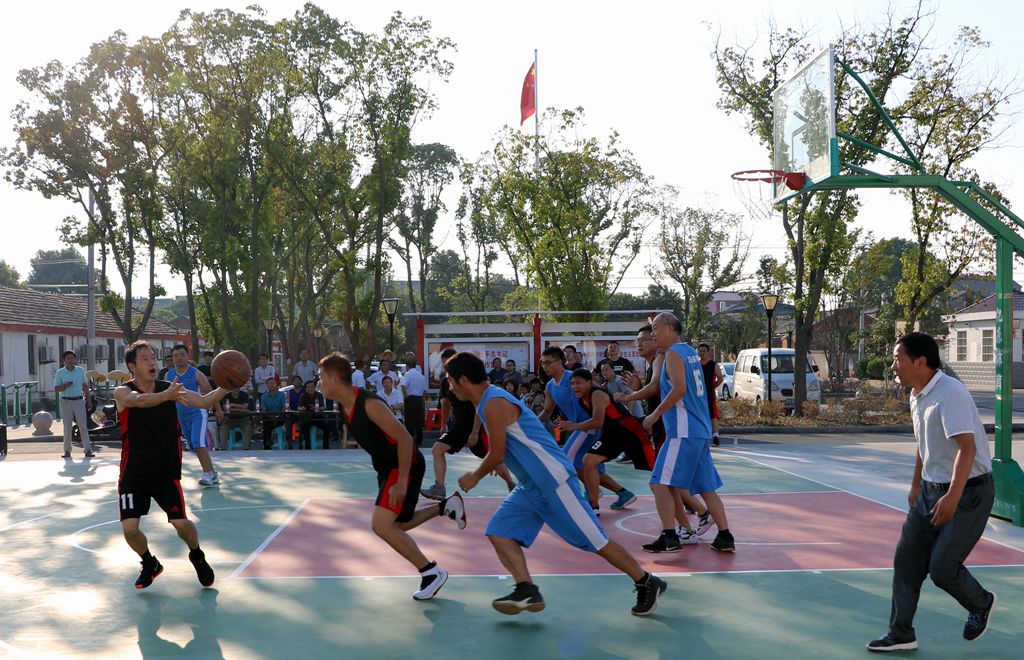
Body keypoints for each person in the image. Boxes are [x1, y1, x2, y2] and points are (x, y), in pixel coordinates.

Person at [448, 351, 667, 616]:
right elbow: (505, 447)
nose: (449, 386)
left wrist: (475, 475)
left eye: (450, 380)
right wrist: (501, 463)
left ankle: (646, 581)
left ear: (462, 380)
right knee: (500, 532)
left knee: (596, 541)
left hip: (553, 481)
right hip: (531, 485)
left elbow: (496, 452)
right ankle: (526, 588)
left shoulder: (493, 402)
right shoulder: (487, 401)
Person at [867, 332, 996, 652]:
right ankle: (901, 634)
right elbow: (924, 443)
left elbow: (967, 449)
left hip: (968, 493)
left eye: (898, 359)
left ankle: (980, 602)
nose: (893, 366)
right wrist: (916, 485)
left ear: (920, 362)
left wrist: (952, 496)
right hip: (929, 491)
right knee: (907, 560)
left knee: (942, 569)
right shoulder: (917, 394)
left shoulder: (951, 393)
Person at [318, 353, 466, 601]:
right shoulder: (344, 406)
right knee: (398, 526)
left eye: (321, 377)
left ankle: (431, 573)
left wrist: (400, 481)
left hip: (403, 464)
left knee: (381, 525)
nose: (319, 382)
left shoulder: (369, 404)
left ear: (334, 378)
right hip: (387, 467)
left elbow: (405, 439)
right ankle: (446, 507)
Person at [114, 340, 229, 590]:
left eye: (153, 357)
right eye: (145, 358)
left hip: (165, 470)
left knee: (181, 524)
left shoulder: (170, 389)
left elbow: (204, 401)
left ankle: (197, 555)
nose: (152, 362)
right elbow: (139, 401)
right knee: (130, 529)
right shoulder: (122, 392)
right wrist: (167, 396)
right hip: (134, 472)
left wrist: (227, 386)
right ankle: (150, 563)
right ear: (132, 366)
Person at [643, 313, 733, 554]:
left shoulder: (673, 354)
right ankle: (725, 536)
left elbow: (679, 389)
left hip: (683, 432)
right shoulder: (690, 352)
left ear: (670, 328)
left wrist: (655, 414)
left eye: (656, 328)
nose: (653, 334)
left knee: (659, 483)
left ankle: (669, 536)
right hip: (700, 430)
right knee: (706, 488)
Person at [619, 325, 712, 539]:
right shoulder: (662, 359)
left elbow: (660, 389)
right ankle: (689, 527)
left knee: (663, 482)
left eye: (645, 338)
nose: (640, 343)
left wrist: (630, 397)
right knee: (667, 482)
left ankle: (696, 518)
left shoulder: (664, 357)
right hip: (673, 426)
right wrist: (638, 388)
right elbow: (657, 389)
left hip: (673, 427)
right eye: (638, 340)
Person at [538, 346, 636, 512]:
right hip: (582, 428)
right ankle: (623, 493)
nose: (545, 366)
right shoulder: (550, 386)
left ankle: (590, 496)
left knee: (567, 460)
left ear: (560, 362)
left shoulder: (575, 378)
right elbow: (547, 411)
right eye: (543, 363)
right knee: (590, 468)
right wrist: (530, 423)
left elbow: (598, 392)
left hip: (591, 426)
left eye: (548, 362)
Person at [423, 349, 516, 501]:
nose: (447, 366)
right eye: (444, 363)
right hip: (459, 427)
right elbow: (445, 404)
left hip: (477, 425)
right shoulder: (446, 382)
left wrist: (475, 432)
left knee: (493, 459)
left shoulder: (468, 382)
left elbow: (479, 406)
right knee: (437, 449)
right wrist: (443, 425)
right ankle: (439, 487)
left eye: (449, 362)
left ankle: (511, 484)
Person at [563, 369, 657, 512]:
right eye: (572, 384)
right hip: (612, 436)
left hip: (630, 433)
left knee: (658, 470)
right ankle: (594, 505)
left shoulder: (597, 394)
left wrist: (574, 426)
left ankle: (686, 500)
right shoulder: (582, 399)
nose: (574, 386)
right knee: (588, 461)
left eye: (578, 383)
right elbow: (602, 424)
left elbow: (597, 421)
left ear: (589, 383)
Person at [170, 345, 221, 487]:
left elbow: (210, 392)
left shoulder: (196, 373)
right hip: (182, 416)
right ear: (172, 358)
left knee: (198, 442)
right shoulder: (169, 376)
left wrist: (218, 410)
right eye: (176, 355)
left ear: (187, 356)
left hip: (198, 413)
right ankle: (213, 473)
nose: (179, 358)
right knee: (194, 446)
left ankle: (207, 474)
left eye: (182, 354)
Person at [54, 350, 95, 459]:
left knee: (83, 426)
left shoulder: (80, 370)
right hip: (66, 401)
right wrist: (65, 386)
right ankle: (67, 451)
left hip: (79, 400)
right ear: (64, 360)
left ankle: (88, 450)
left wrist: (89, 400)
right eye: (68, 358)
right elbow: (56, 389)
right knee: (67, 427)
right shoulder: (60, 372)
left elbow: (85, 385)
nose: (70, 360)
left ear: (74, 359)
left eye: (72, 358)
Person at [697, 343, 724, 447]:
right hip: (698, 394)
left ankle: (715, 436)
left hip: (709, 393)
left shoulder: (714, 365)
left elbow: (720, 378)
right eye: (700, 351)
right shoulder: (696, 365)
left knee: (713, 415)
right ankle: (701, 437)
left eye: (704, 350)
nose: (702, 352)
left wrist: (713, 386)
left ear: (708, 352)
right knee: (699, 414)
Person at [401, 357, 427, 447]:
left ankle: (410, 440)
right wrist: (422, 401)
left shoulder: (408, 374)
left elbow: (403, 386)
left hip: (410, 399)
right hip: (419, 399)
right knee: (418, 421)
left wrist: (405, 396)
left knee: (409, 421)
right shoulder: (421, 376)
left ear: (407, 366)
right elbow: (424, 391)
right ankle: (419, 441)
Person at [298, 380, 328, 450]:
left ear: (315, 388)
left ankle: (326, 448)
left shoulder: (319, 395)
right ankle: (307, 447)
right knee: (304, 426)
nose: (310, 389)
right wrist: (302, 408)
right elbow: (298, 407)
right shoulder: (303, 396)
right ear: (306, 389)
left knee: (327, 427)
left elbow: (323, 407)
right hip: (307, 418)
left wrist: (318, 408)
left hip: (318, 418)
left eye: (312, 387)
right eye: (308, 387)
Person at [260, 377, 288, 449]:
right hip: (269, 417)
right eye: (269, 383)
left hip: (280, 416)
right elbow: (264, 410)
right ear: (267, 385)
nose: (272, 385)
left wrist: (277, 417)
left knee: (268, 426)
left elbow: (283, 408)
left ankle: (267, 443)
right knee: (266, 421)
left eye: (273, 383)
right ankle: (267, 445)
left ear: (276, 384)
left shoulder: (282, 395)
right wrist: (272, 417)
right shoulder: (264, 396)